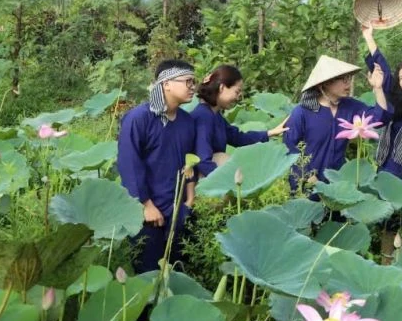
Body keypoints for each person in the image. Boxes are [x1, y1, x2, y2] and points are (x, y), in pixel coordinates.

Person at [117, 59, 198, 273]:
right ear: (166, 83)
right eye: (188, 81)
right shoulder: (137, 119)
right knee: (150, 276)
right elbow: (129, 164)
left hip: (178, 211)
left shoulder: (187, 122)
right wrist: (146, 205)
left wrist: (189, 201)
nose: (192, 87)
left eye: (194, 82)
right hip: (147, 215)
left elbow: (189, 163)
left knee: (178, 273)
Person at [284, 29, 389, 191]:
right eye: (343, 80)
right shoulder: (302, 112)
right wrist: (304, 175)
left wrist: (379, 88)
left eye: (349, 79)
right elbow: (289, 148)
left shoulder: (350, 106)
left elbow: (380, 117)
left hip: (337, 187)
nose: (348, 84)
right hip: (306, 185)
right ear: (324, 83)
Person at [192, 65, 288, 177]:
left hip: (207, 177)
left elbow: (237, 137)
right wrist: (221, 182)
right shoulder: (203, 116)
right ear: (222, 87)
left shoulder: (215, 115)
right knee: (223, 160)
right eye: (237, 92)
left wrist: (270, 133)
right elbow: (202, 160)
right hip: (194, 180)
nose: (238, 97)